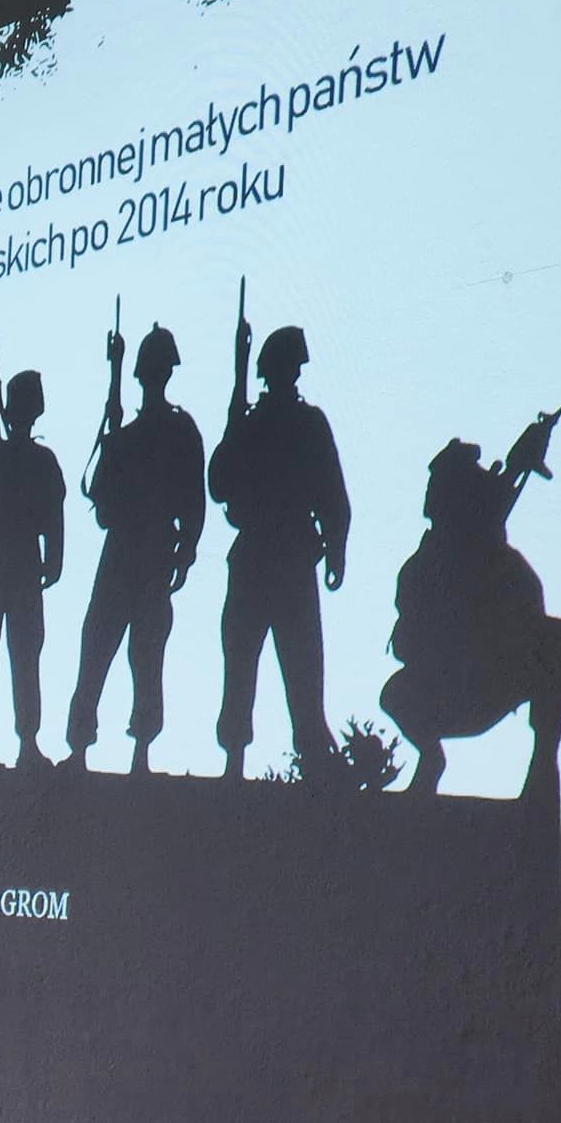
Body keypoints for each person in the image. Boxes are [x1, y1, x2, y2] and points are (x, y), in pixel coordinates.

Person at [379, 431, 561, 802]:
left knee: (555, 642)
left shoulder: (505, 567)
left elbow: (530, 620)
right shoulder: (420, 570)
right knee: (395, 694)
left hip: (496, 683)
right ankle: (431, 760)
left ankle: (543, 766)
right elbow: (405, 643)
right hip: (446, 692)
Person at [208, 326, 349, 781]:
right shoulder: (262, 422)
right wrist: (234, 415)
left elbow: (332, 494)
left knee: (301, 670)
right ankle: (237, 761)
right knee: (244, 665)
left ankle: (309, 761)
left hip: (283, 558)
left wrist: (337, 550)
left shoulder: (295, 423)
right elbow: (219, 484)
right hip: (267, 557)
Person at [65, 325, 205, 774]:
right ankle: (94, 748)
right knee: (103, 648)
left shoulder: (169, 431)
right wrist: (110, 431)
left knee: (139, 654)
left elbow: (193, 500)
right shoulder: (139, 433)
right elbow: (104, 505)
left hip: (144, 552)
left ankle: (126, 750)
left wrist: (186, 552)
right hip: (133, 552)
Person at [0, 370, 65, 768]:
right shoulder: (13, 457)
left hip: (17, 568)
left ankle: (22, 743)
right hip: (0, 568)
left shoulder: (33, 459)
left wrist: (53, 560)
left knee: (21, 655)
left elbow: (54, 514)